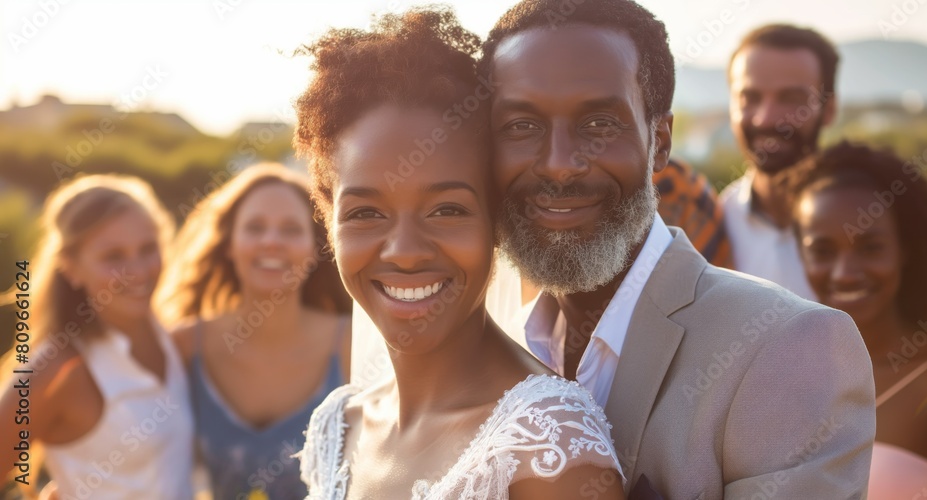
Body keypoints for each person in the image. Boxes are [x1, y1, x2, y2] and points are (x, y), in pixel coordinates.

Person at [479, 0, 875, 497]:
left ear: (660, 141)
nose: (559, 165)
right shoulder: (494, 354)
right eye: (522, 126)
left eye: (599, 124)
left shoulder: (791, 347)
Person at [293, 7, 624, 499]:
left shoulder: (549, 447)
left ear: (496, 219)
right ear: (328, 219)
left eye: (446, 210)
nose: (404, 253)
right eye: (366, 213)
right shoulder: (338, 426)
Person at [791, 141, 927, 498]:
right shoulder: (786, 376)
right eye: (822, 251)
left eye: (870, 247)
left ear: (905, 250)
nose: (845, 274)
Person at [156, 164, 352, 500]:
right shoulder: (185, 345)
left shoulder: (352, 343)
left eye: (291, 229)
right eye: (255, 227)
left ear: (315, 247)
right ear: (229, 244)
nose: (272, 241)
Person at [0, 174, 194, 499]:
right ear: (71, 268)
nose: (138, 270)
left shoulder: (172, 340)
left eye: (148, 248)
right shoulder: (53, 367)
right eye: (113, 256)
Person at [718, 24, 840, 300]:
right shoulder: (711, 225)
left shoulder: (876, 223)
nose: (767, 119)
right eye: (750, 98)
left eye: (791, 99)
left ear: (829, 109)